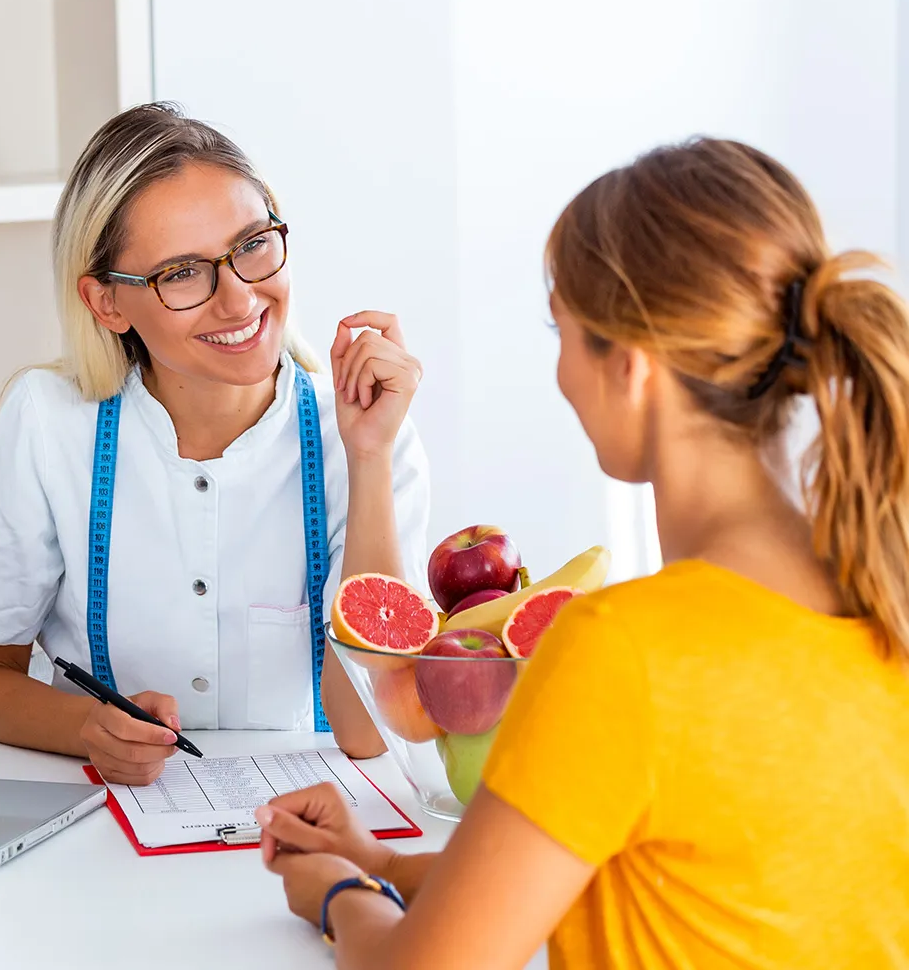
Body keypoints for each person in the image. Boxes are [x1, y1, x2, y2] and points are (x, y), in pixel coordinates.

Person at [257, 138, 909, 968]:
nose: (561, 370)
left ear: (632, 368)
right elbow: (693, 881)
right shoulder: (882, 593)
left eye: (561, 329)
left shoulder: (622, 652)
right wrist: (382, 864)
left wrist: (340, 897)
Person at [0, 103, 429, 784]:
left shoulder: (366, 432)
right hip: (100, 837)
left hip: (315, 827)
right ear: (107, 304)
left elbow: (368, 729)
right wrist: (87, 729)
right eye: (183, 273)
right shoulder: (48, 425)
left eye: (254, 244)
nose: (238, 300)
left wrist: (369, 459)